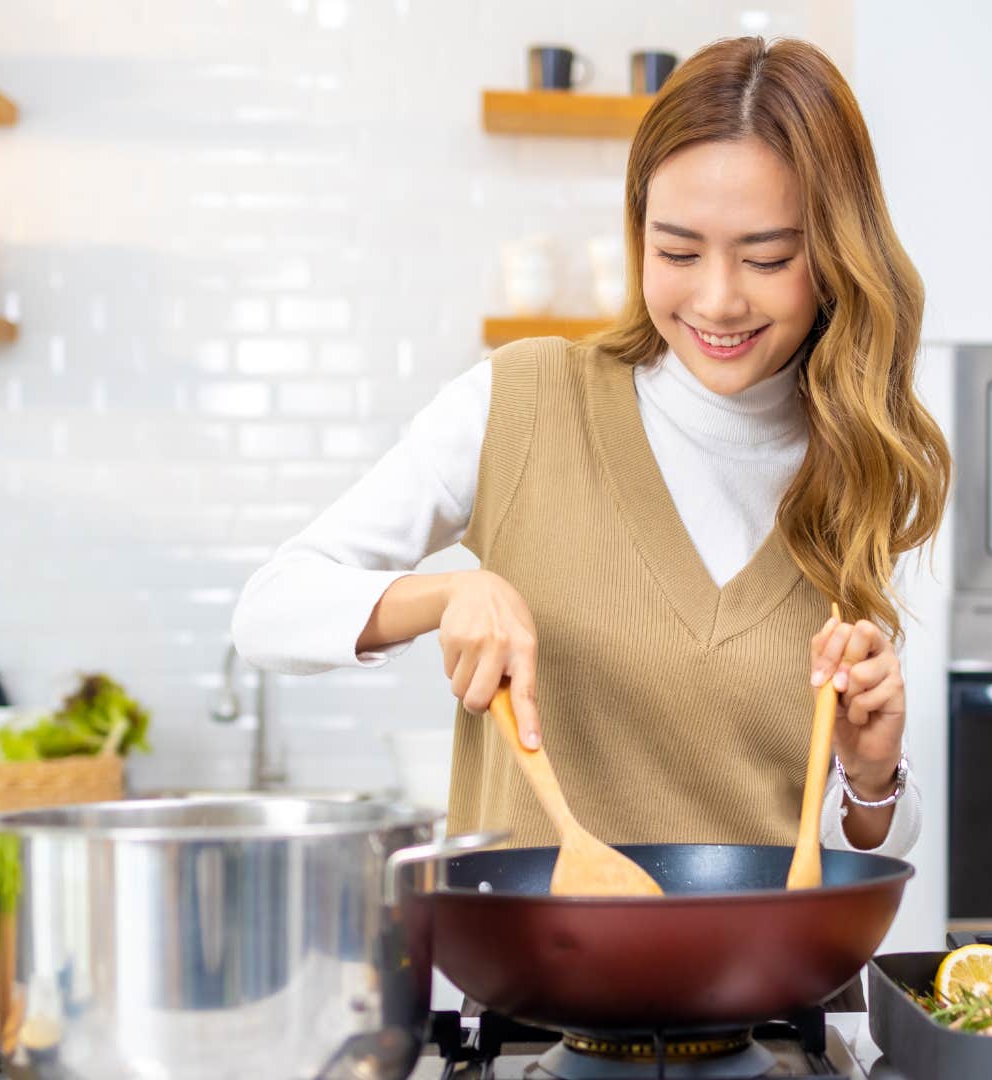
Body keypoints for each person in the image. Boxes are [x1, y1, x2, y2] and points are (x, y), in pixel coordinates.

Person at [231, 36, 949, 858]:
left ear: (834, 255)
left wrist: (872, 777)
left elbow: (859, 849)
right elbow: (270, 611)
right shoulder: (524, 401)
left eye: (767, 258)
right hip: (529, 980)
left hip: (765, 981)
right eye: (677, 251)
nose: (717, 300)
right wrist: (447, 596)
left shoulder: (861, 462)